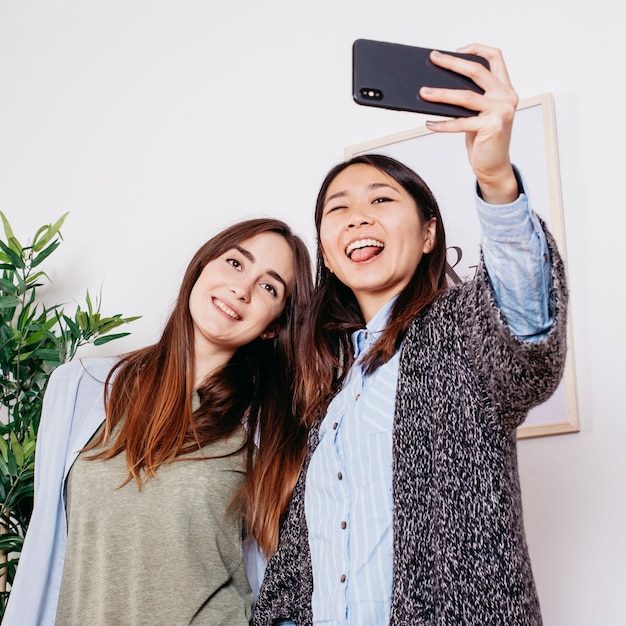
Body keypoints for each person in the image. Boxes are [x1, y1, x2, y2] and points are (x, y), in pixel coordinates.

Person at [253, 45, 568, 625]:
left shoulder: (460, 332)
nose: (357, 217)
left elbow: (527, 336)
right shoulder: (326, 374)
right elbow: (305, 551)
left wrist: (494, 175)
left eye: (381, 200)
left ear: (427, 234)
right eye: (337, 209)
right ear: (325, 245)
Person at [4, 217, 313, 626]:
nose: (242, 289)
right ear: (202, 267)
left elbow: (285, 583)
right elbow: (45, 551)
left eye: (269, 286)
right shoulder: (79, 388)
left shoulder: (271, 433)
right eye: (236, 263)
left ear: (274, 326)